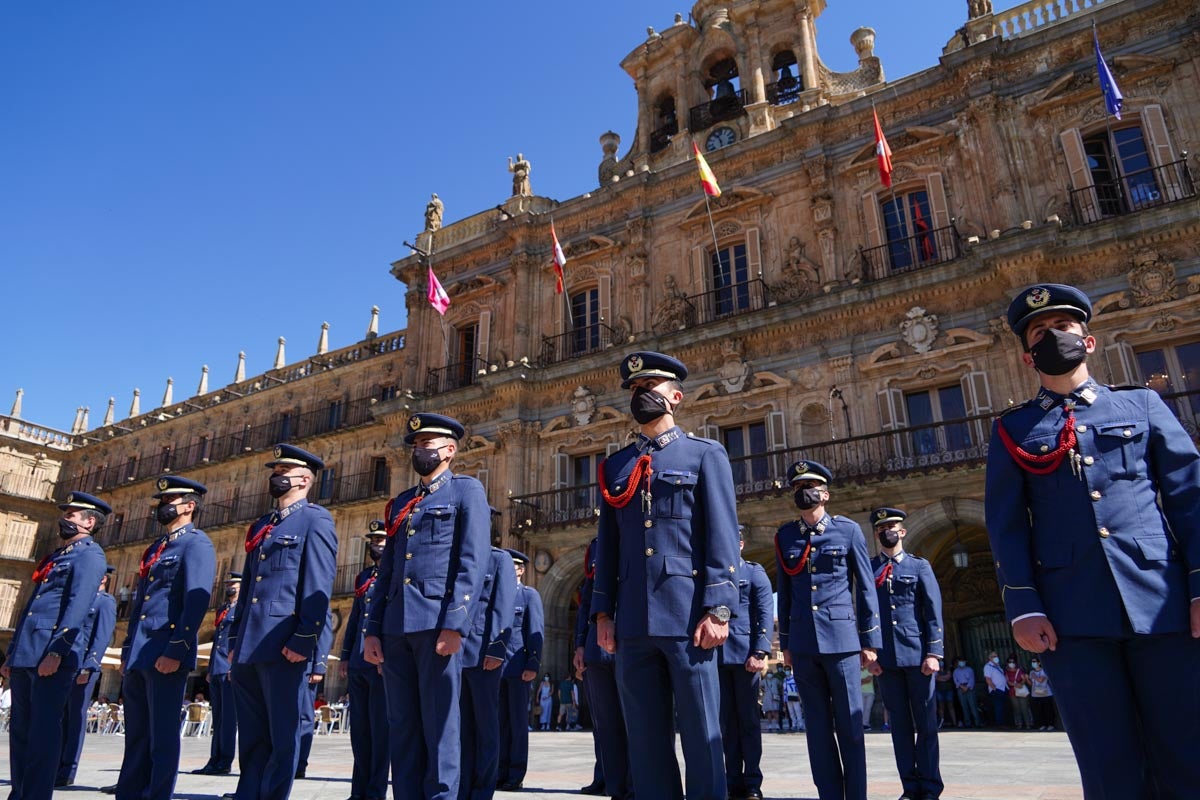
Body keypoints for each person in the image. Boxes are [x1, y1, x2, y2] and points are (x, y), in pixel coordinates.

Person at [988, 282, 1200, 797]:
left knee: (1187, 751)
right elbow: (1007, 525)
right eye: (1041, 331)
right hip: (1070, 618)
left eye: (1063, 326)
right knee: (1107, 766)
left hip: (1162, 603)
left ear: (1089, 341)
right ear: (1026, 354)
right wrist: (1023, 607)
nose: (1053, 335)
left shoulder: (1142, 406)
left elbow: (1189, 498)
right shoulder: (1013, 429)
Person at [591, 351, 741, 800]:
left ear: (674, 396)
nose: (641, 396)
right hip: (633, 620)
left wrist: (719, 607)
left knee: (702, 736)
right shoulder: (615, 466)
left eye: (649, 388)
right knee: (646, 742)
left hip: (689, 617)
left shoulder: (703, 455)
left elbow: (722, 534)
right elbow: (609, 545)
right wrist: (602, 614)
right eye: (635, 390)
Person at [362, 413, 489, 800]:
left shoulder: (467, 492)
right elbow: (386, 573)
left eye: (428, 443)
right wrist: (372, 629)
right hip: (396, 627)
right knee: (401, 722)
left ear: (449, 450)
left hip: (437, 626)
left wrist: (456, 623)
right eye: (416, 444)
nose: (420, 450)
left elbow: (473, 561)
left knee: (440, 723)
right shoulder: (403, 503)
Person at [228, 444, 337, 800]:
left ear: (304, 479)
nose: (275, 476)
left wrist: (304, 637)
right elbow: (248, 588)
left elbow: (318, 585)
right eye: (274, 471)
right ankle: (248, 793)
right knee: (253, 732)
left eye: (283, 471)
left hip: (284, 643)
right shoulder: (262, 526)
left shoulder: (315, 520)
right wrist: (233, 641)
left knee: (282, 732)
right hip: (250, 643)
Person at [775, 460, 881, 800]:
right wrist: (787, 644)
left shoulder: (847, 531)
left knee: (850, 725)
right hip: (804, 645)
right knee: (817, 729)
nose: (803, 492)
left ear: (825, 494)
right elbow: (786, 594)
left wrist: (870, 640)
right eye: (797, 488)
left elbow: (864, 588)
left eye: (810, 487)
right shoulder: (785, 536)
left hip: (843, 642)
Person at [108, 476, 216, 800]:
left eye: (170, 502)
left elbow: (195, 602)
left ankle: (156, 794)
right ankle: (129, 792)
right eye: (162, 502)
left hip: (166, 649)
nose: (164, 507)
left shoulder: (197, 544)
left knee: (162, 736)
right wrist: (128, 648)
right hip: (141, 650)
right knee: (137, 734)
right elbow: (141, 603)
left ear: (189, 506)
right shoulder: (157, 549)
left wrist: (178, 648)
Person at [3, 491, 108, 800]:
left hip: (52, 655)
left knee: (43, 733)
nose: (65, 518)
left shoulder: (90, 555)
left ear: (89, 522)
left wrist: (56, 652)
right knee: (21, 732)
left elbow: (78, 606)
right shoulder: (57, 557)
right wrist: (13, 653)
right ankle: (19, 793)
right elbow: (32, 607)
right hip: (28, 654)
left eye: (72, 515)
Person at [867, 507, 945, 800]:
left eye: (893, 526)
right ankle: (909, 787)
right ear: (876, 534)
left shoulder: (919, 566)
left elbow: (932, 612)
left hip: (918, 656)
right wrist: (870, 652)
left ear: (902, 532)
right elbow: (866, 613)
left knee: (925, 724)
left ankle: (930, 786)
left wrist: (934, 653)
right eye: (881, 528)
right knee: (899, 727)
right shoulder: (870, 568)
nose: (887, 531)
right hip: (886, 660)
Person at [573, 536, 631, 799]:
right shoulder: (598, 545)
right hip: (597, 647)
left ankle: (634, 780)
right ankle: (607, 778)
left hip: (631, 642)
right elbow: (587, 601)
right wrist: (580, 645)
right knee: (603, 722)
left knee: (634, 721)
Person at [717, 527, 772, 800]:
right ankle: (731, 779)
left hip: (745, 657)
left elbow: (764, 611)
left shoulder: (753, 572)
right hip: (716, 657)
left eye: (732, 540)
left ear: (740, 544)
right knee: (725, 722)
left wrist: (760, 651)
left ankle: (752, 782)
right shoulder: (712, 572)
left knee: (748, 721)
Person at [458, 544, 516, 800]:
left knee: (486, 728)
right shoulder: (458, 555)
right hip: (454, 653)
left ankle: (482, 789)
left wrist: (497, 649)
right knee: (460, 728)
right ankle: (462, 785)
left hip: (483, 654)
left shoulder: (499, 559)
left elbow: (503, 606)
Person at [339, 522, 390, 800]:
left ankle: (375, 790)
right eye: (373, 541)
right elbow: (356, 619)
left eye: (381, 540)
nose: (376, 545)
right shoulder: (363, 578)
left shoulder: (394, 574)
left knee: (380, 730)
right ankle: (358, 790)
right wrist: (346, 656)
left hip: (380, 663)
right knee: (359, 731)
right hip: (359, 662)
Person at [57, 565, 117, 786]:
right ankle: (56, 764)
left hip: (82, 667)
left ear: (102, 579)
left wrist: (89, 667)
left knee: (75, 719)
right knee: (61, 717)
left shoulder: (105, 602)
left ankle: (67, 770)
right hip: (65, 666)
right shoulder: (80, 601)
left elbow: (101, 637)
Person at [497, 550, 543, 791]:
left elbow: (535, 630)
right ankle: (499, 770)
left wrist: (532, 664)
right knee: (499, 723)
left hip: (517, 667)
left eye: (513, 565)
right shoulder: (498, 595)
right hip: (496, 668)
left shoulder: (528, 595)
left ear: (521, 570)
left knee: (517, 723)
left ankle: (515, 774)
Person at [194, 571, 242, 776]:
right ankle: (214, 759)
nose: (229, 586)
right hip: (216, 668)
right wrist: (210, 668)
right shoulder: (223, 609)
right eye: (228, 583)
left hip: (229, 668)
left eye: (233, 583)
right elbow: (218, 642)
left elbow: (237, 640)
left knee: (229, 719)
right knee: (218, 718)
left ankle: (225, 760)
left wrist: (234, 666)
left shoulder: (241, 609)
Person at [294, 614, 332, 779]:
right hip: (285, 664)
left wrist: (319, 667)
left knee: (304, 717)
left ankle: (299, 763)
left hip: (307, 668)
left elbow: (324, 631)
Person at [1004, 655, 1033, 730]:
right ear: (1007, 663)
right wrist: (1016, 684)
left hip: (1022, 691)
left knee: (1024, 708)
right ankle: (1019, 724)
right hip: (1012, 692)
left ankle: (1028, 724)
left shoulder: (1020, 670)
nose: (1011, 663)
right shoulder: (1006, 672)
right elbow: (1007, 682)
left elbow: (1024, 679)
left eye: (1013, 662)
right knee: (1016, 708)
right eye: (1010, 662)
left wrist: (1021, 684)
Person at [1027, 658, 1056, 731]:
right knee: (1039, 710)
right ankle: (1042, 724)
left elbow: (1040, 680)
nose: (1033, 663)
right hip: (1036, 694)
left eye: (1034, 661)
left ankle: (1051, 724)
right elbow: (1031, 683)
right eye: (1032, 662)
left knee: (1048, 710)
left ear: (1039, 663)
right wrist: (1027, 679)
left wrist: (1034, 676)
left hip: (1046, 694)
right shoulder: (1031, 672)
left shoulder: (1044, 670)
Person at [951, 658, 981, 728]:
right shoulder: (955, 671)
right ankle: (968, 723)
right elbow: (956, 680)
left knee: (973, 705)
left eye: (963, 661)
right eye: (960, 661)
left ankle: (977, 722)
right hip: (960, 688)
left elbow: (972, 679)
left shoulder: (969, 669)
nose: (961, 663)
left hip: (969, 688)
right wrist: (961, 687)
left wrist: (967, 687)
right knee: (964, 706)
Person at [982, 651, 1007, 727]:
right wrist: (994, 689)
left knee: (1002, 707)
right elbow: (988, 679)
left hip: (1002, 689)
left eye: (996, 656)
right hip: (996, 690)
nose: (996, 658)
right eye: (993, 656)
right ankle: (1000, 724)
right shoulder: (988, 666)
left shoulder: (997, 666)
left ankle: (1002, 722)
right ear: (989, 658)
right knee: (998, 707)